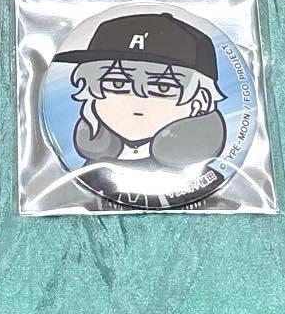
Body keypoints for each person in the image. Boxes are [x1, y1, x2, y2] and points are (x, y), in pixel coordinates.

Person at [53, 11, 227, 206]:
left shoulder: (204, 180)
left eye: (163, 87)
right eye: (117, 84)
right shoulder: (89, 174)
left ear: (200, 101)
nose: (135, 101)